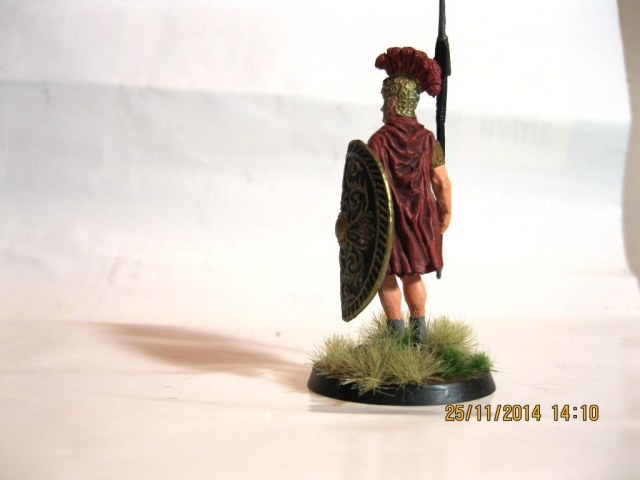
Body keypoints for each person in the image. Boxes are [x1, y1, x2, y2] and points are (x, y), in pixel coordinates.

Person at [367, 47, 452, 342]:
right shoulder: (428, 140)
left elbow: (369, 184)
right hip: (420, 221)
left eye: (385, 101)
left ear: (393, 101)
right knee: (412, 273)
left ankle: (396, 334)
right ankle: (419, 334)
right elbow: (442, 183)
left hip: (389, 222)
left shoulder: (378, 141)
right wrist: (446, 211)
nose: (383, 107)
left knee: (386, 274)